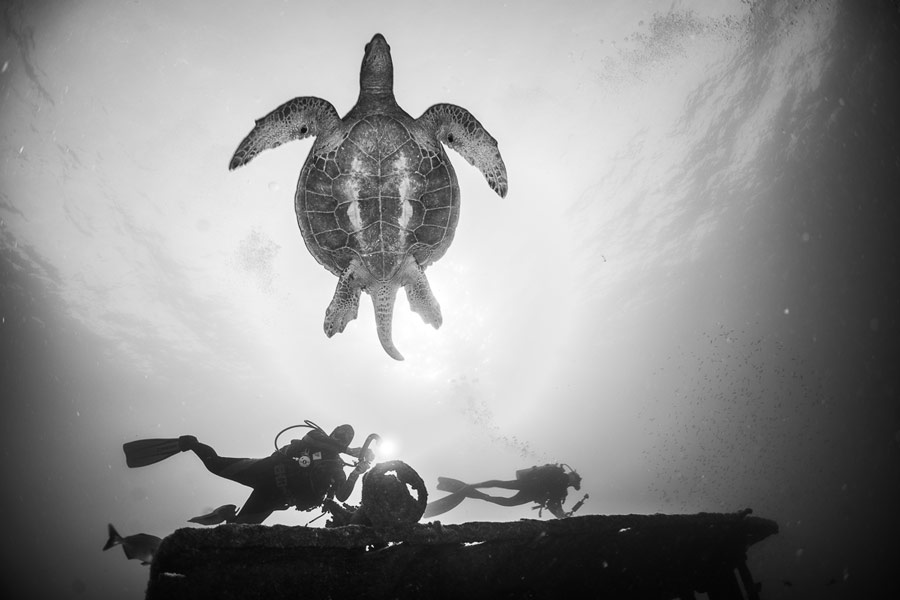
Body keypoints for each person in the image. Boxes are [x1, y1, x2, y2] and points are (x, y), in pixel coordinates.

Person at [123, 423, 372, 524]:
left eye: (345, 437)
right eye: (339, 433)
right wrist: (348, 449)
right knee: (215, 464)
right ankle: (188, 443)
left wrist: (357, 473)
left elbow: (342, 496)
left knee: (240, 529)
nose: (340, 437)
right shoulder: (316, 437)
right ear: (332, 433)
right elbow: (311, 438)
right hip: (266, 470)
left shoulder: (336, 467)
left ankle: (225, 514)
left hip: (276, 497)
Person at [423, 464, 583, 519]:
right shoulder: (560, 481)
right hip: (530, 489)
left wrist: (562, 515)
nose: (574, 483)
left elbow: (554, 504)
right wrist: (562, 516)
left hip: (528, 487)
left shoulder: (559, 480)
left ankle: (473, 487)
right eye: (576, 481)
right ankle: (479, 492)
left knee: (501, 487)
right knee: (506, 498)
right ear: (572, 477)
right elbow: (555, 505)